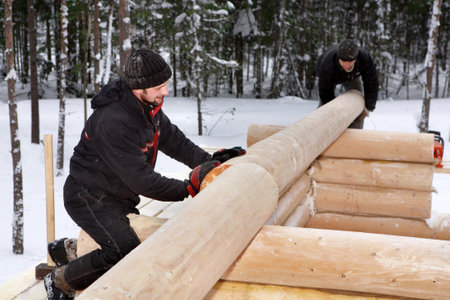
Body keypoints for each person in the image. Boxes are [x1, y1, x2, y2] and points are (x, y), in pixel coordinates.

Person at [44, 48, 246, 299]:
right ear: (139, 87)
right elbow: (142, 180)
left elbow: (175, 142)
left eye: (166, 84)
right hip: (88, 196)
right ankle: (60, 281)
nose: (166, 92)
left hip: (117, 194)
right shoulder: (113, 121)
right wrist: (188, 187)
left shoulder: (148, 106)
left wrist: (210, 162)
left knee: (133, 243)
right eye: (160, 86)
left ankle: (67, 250)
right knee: (124, 252)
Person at [315, 39, 379, 129]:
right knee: (325, 107)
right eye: (343, 61)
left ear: (355, 59)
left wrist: (369, 106)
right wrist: (332, 113)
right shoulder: (328, 63)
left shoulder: (364, 58)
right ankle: (320, 129)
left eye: (350, 61)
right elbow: (325, 92)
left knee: (359, 103)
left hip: (352, 76)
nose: (346, 64)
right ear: (338, 58)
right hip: (331, 77)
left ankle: (355, 133)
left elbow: (371, 82)